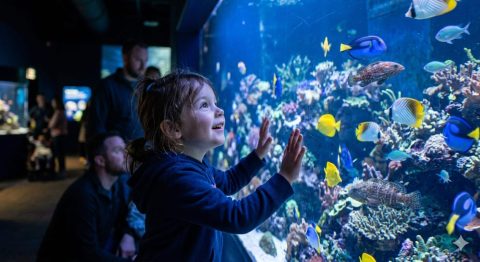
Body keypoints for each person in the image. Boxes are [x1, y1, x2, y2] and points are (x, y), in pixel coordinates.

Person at [127, 71, 306, 261]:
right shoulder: (178, 178)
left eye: (215, 103)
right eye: (204, 105)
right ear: (173, 129)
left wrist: (257, 156)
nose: (219, 110)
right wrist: (284, 178)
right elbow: (238, 217)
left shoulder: (190, 167)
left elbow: (228, 181)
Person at [37, 132, 136, 261]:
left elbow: (128, 215)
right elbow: (87, 254)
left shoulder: (118, 185)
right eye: (118, 151)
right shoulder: (83, 196)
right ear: (100, 160)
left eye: (125, 149)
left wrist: (128, 235)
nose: (126, 155)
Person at [87, 40, 148, 142]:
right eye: (138, 60)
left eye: (146, 61)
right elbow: (96, 127)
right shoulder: (107, 86)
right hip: (118, 154)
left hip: (143, 153)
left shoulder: (146, 87)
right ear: (125, 58)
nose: (143, 66)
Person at [48, 97, 68, 178]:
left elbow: (51, 125)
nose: (52, 104)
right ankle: (62, 171)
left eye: (53, 102)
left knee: (59, 154)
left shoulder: (58, 112)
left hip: (57, 135)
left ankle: (61, 172)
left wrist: (49, 122)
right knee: (61, 154)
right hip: (62, 135)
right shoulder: (62, 112)